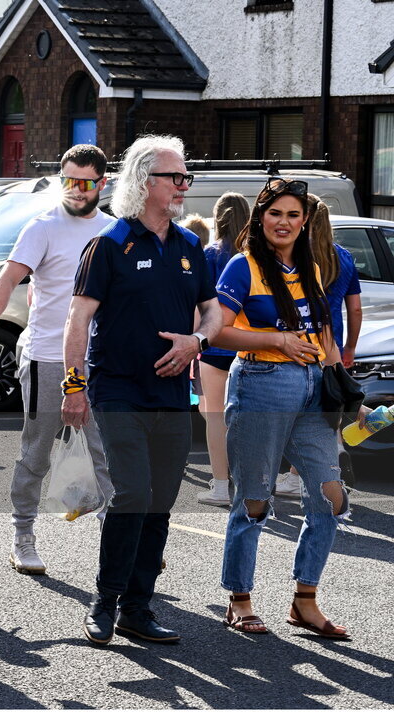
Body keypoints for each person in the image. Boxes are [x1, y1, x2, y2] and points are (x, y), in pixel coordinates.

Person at [62, 135, 222, 645]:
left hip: (174, 397)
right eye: (175, 177)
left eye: (185, 178)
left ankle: (138, 607)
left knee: (160, 503)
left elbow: (213, 310)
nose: (183, 186)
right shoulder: (110, 244)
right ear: (144, 181)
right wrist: (74, 385)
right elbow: (78, 318)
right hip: (117, 390)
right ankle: (104, 602)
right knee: (132, 494)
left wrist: (196, 340)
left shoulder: (190, 246)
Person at [214, 178, 355, 638]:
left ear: (305, 221)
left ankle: (305, 600)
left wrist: (344, 389)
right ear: (260, 218)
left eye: (294, 215)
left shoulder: (311, 267)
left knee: (330, 496)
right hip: (261, 383)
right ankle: (240, 599)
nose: (284, 222)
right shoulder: (242, 267)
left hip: (314, 389)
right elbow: (215, 332)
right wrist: (277, 339)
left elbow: (323, 332)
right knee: (254, 497)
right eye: (276, 213)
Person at [0, 144, 114, 575]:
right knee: (36, 451)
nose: (73, 190)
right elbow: (6, 281)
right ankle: (23, 537)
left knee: (107, 454)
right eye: (67, 181)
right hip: (46, 358)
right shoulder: (42, 227)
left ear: (101, 184)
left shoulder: (113, 231)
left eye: (83, 183)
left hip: (100, 362)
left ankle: (120, 544)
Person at [274, 196, 363, 497]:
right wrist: (349, 345)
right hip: (331, 339)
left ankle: (296, 474)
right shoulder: (344, 257)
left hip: (300, 338)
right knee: (326, 401)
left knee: (304, 409)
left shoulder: (296, 256)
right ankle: (339, 445)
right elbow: (355, 309)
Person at [196, 193, 250, 507]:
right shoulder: (254, 256)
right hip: (247, 346)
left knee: (214, 417)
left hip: (214, 346)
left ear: (217, 219)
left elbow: (198, 302)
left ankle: (220, 486)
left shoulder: (209, 255)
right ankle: (252, 485)